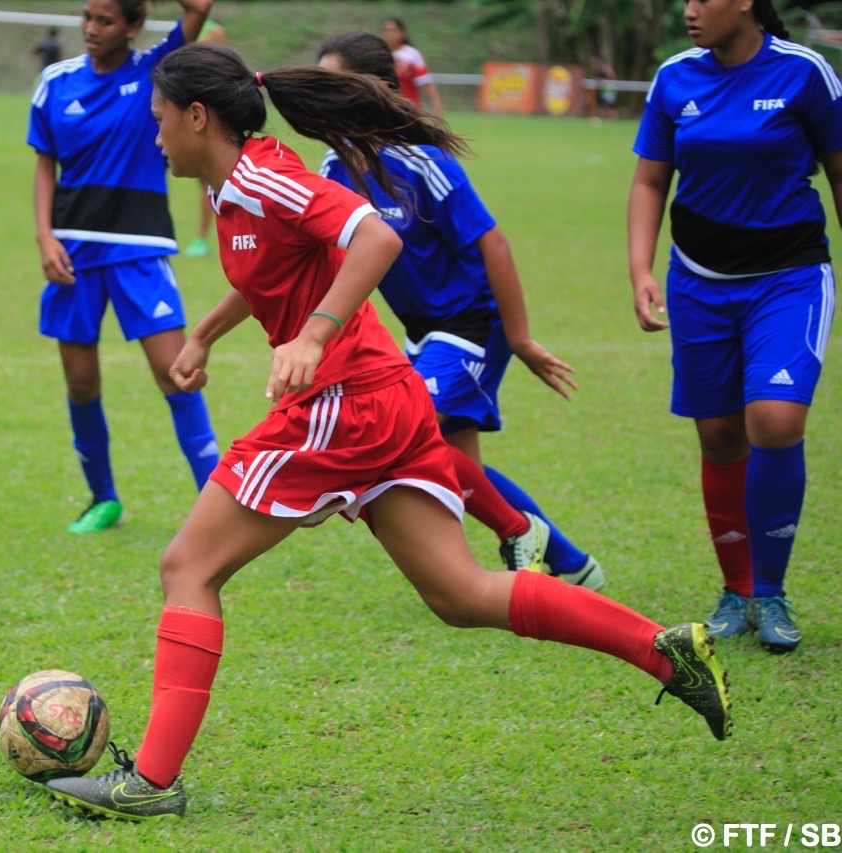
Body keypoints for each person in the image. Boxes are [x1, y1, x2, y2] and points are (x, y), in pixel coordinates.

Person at [45, 41, 732, 822]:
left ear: (198, 117)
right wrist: (204, 333)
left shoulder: (263, 177)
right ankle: (663, 648)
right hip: (386, 398)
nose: (155, 132)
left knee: (187, 565)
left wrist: (313, 335)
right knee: (459, 592)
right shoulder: (239, 186)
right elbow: (279, 268)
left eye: (161, 117)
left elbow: (375, 238)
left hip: (347, 401)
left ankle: (153, 780)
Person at [316, 31, 604, 590]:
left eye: (336, 84)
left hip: (475, 323)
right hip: (424, 330)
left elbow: (493, 242)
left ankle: (517, 531)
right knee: (447, 454)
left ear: (375, 88)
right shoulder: (335, 165)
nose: (325, 95)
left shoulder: (420, 162)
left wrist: (519, 339)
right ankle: (573, 565)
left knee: (409, 430)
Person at [628, 0, 841, 653]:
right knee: (719, 434)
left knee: (775, 419)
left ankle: (771, 592)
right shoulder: (674, 78)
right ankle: (737, 589)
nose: (689, 10)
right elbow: (649, 181)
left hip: (789, 277)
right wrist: (640, 268)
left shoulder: (806, 73)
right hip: (698, 280)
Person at [28, 0, 219, 533]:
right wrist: (45, 236)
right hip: (73, 252)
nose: (91, 29)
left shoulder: (156, 72)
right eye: (86, 17)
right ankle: (103, 499)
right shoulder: (55, 81)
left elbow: (198, 10)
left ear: (133, 27)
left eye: (105, 20)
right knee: (81, 382)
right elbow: (45, 165)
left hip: (137, 247)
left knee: (176, 375)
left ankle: (218, 504)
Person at [183, 17, 228, 259]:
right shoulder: (181, 27)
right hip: (183, 113)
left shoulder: (214, 31)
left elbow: (222, 73)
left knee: (209, 181)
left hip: (208, 114)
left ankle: (202, 238)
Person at [380, 16, 443, 118]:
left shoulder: (412, 54)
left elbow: (427, 84)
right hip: (385, 111)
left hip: (410, 111)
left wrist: (437, 109)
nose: (390, 34)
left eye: (393, 30)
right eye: (386, 31)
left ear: (402, 33)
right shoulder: (379, 55)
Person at [590, 55, 618, 121]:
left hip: (609, 89)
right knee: (604, 105)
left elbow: (613, 77)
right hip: (603, 90)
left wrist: (605, 80)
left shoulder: (606, 68)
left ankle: (613, 118)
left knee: (609, 105)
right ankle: (609, 118)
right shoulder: (596, 69)